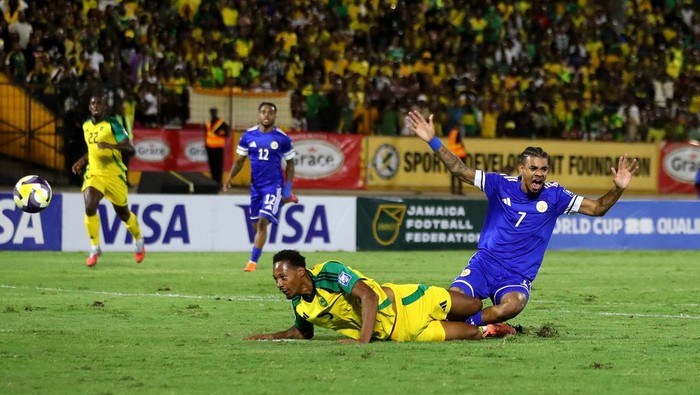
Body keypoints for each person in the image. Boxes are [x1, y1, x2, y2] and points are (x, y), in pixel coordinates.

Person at [405, 110, 639, 328]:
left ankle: (466, 326)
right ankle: (423, 318)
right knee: (454, 300)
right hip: (485, 264)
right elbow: (461, 170)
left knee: (511, 306)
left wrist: (618, 189)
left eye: (544, 169)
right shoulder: (499, 184)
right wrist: (432, 141)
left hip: (517, 275)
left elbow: (597, 208)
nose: (540, 173)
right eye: (534, 168)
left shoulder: (555, 195)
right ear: (521, 168)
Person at [245, 249, 517, 343]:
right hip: (402, 332)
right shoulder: (301, 307)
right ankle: (494, 328)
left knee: (473, 304)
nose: (279, 284)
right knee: (471, 334)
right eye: (276, 279)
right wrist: (266, 337)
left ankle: (491, 308)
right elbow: (303, 333)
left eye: (283, 277)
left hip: (409, 300)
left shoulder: (329, 272)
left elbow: (368, 297)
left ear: (301, 272)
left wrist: (363, 340)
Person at [71, 90, 145, 267]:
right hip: (95, 173)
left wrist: (111, 145)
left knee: (123, 213)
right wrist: (82, 160)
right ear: (90, 107)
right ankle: (95, 247)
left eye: (100, 103)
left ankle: (139, 240)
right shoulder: (86, 126)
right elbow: (93, 149)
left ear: (105, 107)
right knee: (89, 206)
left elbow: (130, 148)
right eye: (93, 103)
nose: (96, 106)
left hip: (114, 175)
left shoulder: (113, 124)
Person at [222, 102, 298, 272]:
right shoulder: (248, 136)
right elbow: (240, 160)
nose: (266, 115)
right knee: (255, 225)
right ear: (259, 115)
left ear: (275, 116)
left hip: (274, 186)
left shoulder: (282, 139)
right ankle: (284, 201)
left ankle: (252, 262)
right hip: (256, 188)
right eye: (263, 112)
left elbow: (291, 164)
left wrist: (287, 187)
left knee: (263, 224)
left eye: (270, 113)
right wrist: (229, 178)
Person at [204, 107, 230, 185]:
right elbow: (206, 135)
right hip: (209, 147)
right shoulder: (208, 123)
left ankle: (218, 181)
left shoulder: (222, 123)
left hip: (218, 147)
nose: (213, 114)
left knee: (218, 166)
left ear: (216, 113)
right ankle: (213, 181)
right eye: (211, 113)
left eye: (214, 112)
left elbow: (227, 133)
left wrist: (219, 133)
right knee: (212, 165)